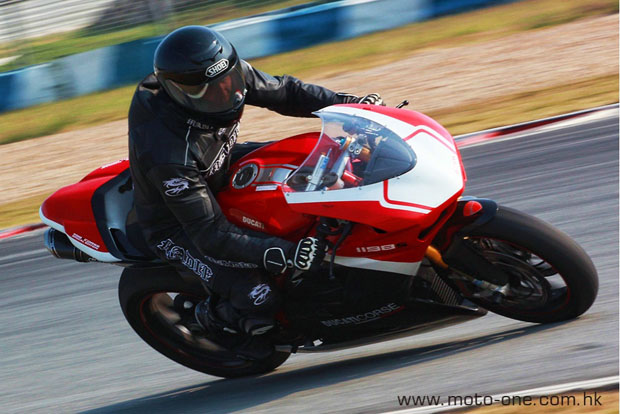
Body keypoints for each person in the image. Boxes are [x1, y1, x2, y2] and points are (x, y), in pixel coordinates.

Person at [127, 25, 384, 359]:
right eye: (211, 93)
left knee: (316, 161)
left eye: (229, 83)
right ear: (178, 94)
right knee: (259, 296)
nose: (227, 95)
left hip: (217, 164)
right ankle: (223, 323)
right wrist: (283, 253)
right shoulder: (169, 154)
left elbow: (286, 92)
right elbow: (210, 234)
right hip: (175, 224)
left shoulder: (222, 74)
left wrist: (349, 106)